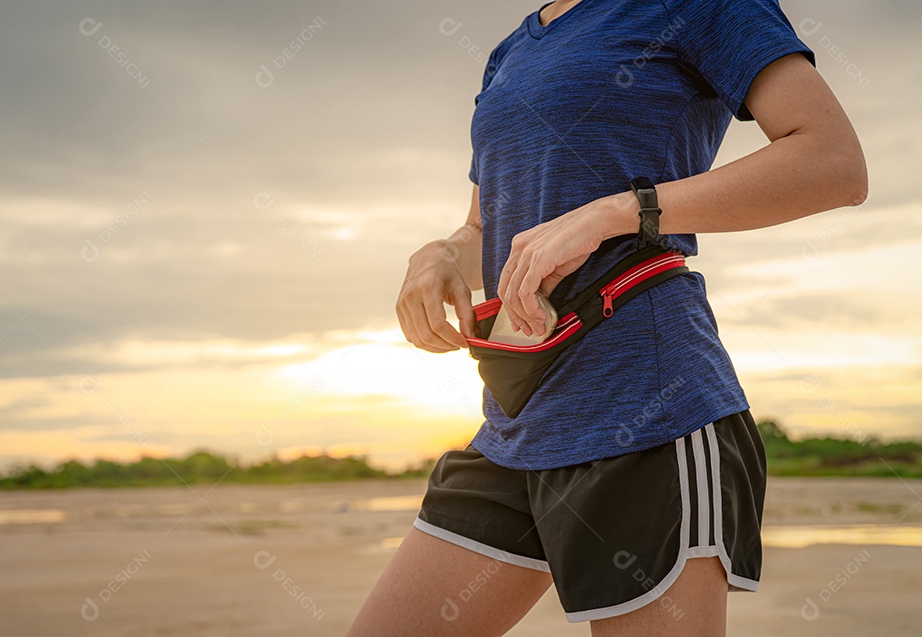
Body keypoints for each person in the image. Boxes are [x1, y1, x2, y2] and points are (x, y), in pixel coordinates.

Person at [348, 0, 867, 635]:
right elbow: (483, 223)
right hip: (519, 416)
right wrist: (439, 254)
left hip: (651, 407)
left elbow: (834, 164)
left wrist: (617, 212)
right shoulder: (512, 51)